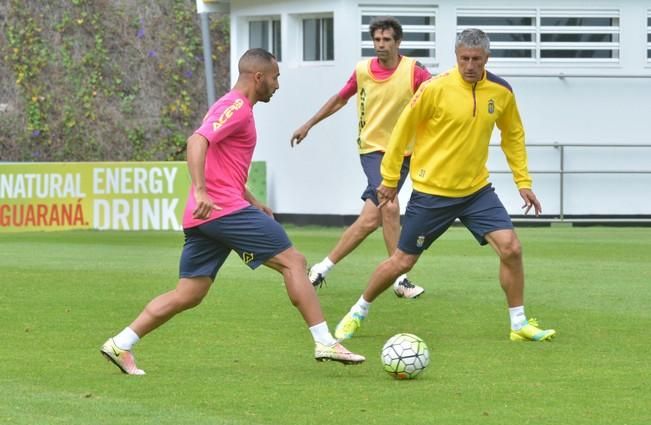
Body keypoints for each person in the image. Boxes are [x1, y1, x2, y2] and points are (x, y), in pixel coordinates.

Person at [100, 48, 365, 375]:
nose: (277, 85)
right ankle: (325, 340)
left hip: (209, 215)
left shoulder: (237, 108)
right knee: (293, 262)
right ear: (259, 77)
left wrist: (253, 201)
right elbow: (197, 141)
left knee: (190, 293)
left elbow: (225, 167)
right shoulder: (236, 107)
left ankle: (121, 343)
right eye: (275, 77)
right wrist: (200, 190)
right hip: (221, 209)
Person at [334, 29, 556, 342]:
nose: (469, 65)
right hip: (432, 193)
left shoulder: (501, 92)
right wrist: (389, 179)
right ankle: (358, 311)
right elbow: (401, 131)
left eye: (475, 59)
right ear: (456, 57)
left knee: (511, 248)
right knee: (402, 262)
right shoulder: (433, 88)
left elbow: (513, 137)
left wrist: (523, 182)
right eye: (463, 58)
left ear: (486, 59)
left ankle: (518, 323)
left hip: (477, 192)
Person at [290, 17, 431, 299]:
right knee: (389, 206)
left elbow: (437, 98)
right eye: (376, 40)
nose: (380, 45)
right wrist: (309, 123)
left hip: (402, 153)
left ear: (398, 42)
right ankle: (399, 278)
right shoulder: (363, 70)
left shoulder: (414, 71)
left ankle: (321, 268)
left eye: (386, 40)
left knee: (370, 220)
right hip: (372, 150)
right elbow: (340, 99)